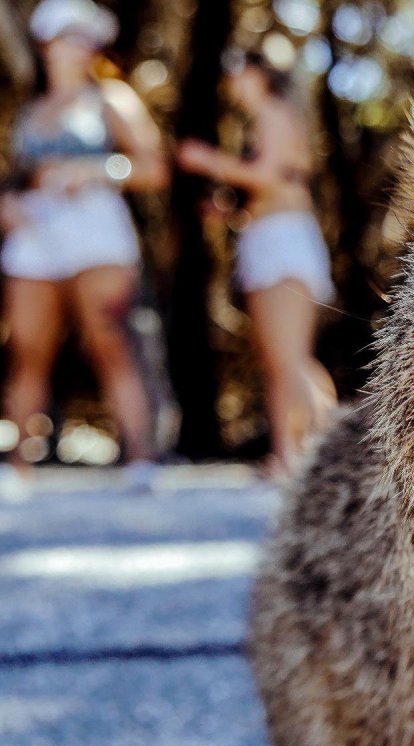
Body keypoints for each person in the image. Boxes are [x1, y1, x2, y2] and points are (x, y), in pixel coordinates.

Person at [0, 0, 168, 489]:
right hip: (36, 235)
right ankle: (17, 467)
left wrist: (97, 169)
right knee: (28, 348)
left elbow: (154, 168)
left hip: (96, 231)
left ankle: (139, 458)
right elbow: (18, 180)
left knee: (109, 339)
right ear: (47, 44)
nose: (83, 47)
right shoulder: (30, 111)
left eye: (88, 38)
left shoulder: (112, 99)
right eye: (71, 36)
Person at [177, 50, 335, 479]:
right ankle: (289, 456)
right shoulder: (264, 120)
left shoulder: (276, 113)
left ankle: (328, 456)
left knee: (289, 357)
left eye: (236, 71)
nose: (230, 81)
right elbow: (271, 186)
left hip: (284, 241)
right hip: (267, 238)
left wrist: (206, 160)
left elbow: (268, 177)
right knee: (280, 359)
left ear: (260, 74)